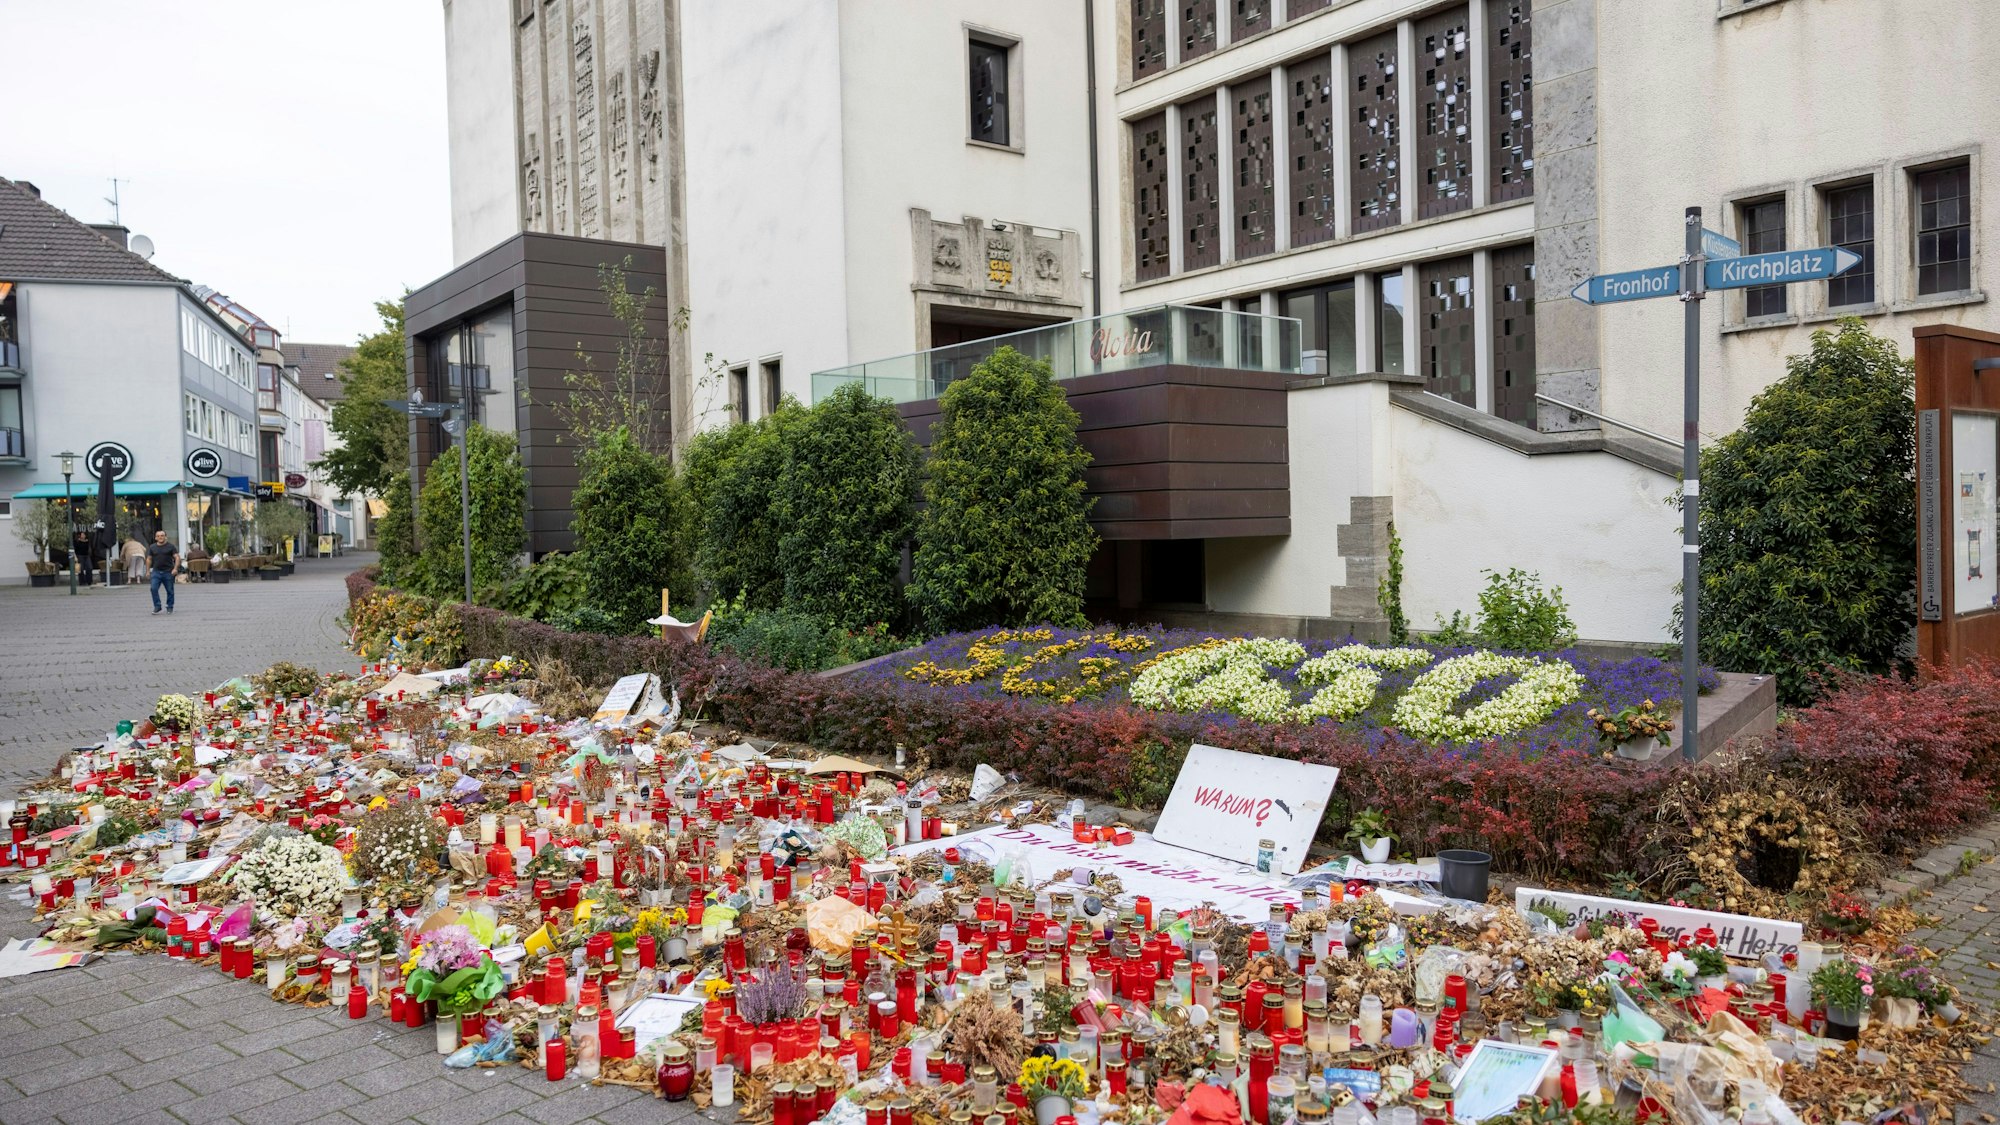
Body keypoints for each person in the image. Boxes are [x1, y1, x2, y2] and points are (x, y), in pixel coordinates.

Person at [147, 530, 179, 614]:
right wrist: (147, 571)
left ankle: (170, 606)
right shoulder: (152, 547)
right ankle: (157, 606)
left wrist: (175, 568)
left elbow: (177, 557)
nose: (160, 537)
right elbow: (149, 559)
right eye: (158, 536)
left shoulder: (171, 547)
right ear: (155, 538)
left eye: (162, 535)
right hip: (156, 572)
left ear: (165, 537)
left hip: (168, 572)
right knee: (153, 588)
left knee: (170, 590)